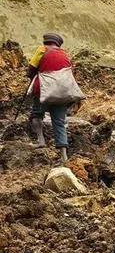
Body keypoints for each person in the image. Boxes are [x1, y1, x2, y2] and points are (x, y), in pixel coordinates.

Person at [27, 32, 80, 161]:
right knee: (59, 122)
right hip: (63, 93)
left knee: (36, 114)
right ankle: (64, 156)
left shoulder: (42, 50)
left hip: (44, 90)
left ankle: (41, 141)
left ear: (46, 41)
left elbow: (31, 69)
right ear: (58, 43)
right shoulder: (64, 54)